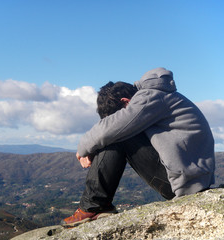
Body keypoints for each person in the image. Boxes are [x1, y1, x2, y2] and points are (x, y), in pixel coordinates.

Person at [61, 67, 215, 227]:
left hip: (184, 183)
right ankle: (97, 205)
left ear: (125, 102)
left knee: (117, 136)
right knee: (115, 133)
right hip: (187, 178)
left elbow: (112, 128)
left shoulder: (149, 97)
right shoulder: (158, 96)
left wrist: (83, 148)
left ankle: (93, 206)